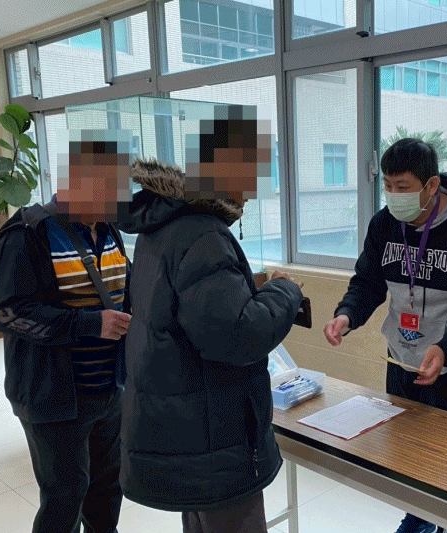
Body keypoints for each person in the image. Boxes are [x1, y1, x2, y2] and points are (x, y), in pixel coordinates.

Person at [117, 105, 304, 533]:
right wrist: (285, 291)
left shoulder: (163, 223)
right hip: (212, 437)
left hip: (184, 426)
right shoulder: (202, 234)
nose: (253, 192)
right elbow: (238, 336)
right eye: (253, 174)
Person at [324, 138, 447, 533]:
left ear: (431, 185)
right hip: (400, 357)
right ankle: (417, 516)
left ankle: (441, 522)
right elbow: (368, 282)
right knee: (404, 449)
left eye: (403, 187)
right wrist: (346, 315)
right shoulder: (383, 224)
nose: (393, 195)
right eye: (387, 186)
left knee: (445, 456)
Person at [0, 130, 133, 533]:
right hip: (53, 396)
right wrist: (90, 324)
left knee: (107, 490)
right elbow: (7, 312)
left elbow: (123, 290)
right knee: (65, 496)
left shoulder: (108, 232)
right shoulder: (27, 233)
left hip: (109, 389)